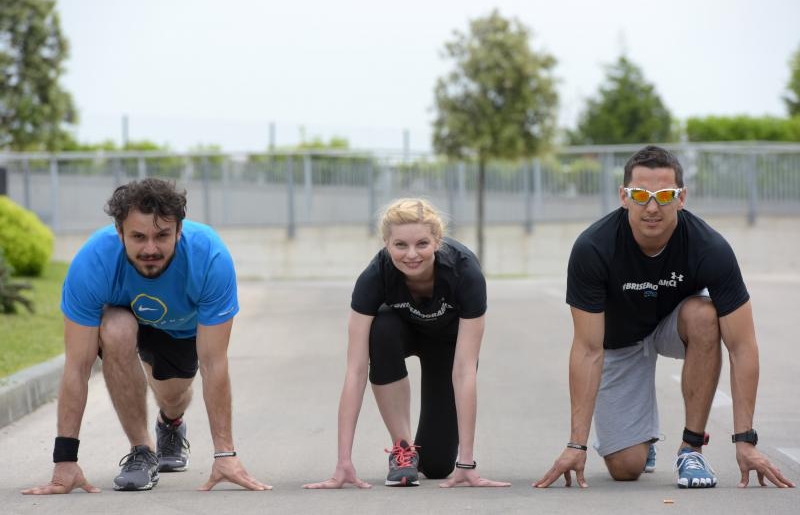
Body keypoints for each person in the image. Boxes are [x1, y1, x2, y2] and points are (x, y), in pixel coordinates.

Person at [534, 145, 795, 490]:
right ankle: (643, 443)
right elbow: (587, 349)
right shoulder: (593, 248)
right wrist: (576, 443)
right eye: (641, 195)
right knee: (626, 468)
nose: (652, 207)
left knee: (705, 315)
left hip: (674, 323)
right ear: (623, 197)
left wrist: (745, 440)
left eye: (664, 195)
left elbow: (742, 346)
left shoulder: (710, 248)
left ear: (682, 197)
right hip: (619, 340)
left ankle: (691, 449)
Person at [22, 178, 270, 494]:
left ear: (179, 232)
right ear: (119, 233)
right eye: (138, 237)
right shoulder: (93, 262)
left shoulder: (209, 257)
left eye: (162, 235)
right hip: (123, 316)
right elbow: (77, 366)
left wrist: (225, 454)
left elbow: (213, 363)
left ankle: (171, 422)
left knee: (173, 396)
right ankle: (142, 451)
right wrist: (65, 460)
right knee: (116, 328)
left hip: (179, 330)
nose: (150, 248)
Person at [303, 198, 509, 489]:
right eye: (400, 245)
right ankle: (403, 450)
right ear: (386, 243)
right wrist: (343, 463)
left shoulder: (465, 273)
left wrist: (466, 463)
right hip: (399, 333)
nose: (412, 255)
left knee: (437, 466)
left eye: (422, 244)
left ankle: (438, 459)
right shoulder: (375, 276)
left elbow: (465, 370)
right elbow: (356, 370)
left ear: (437, 241)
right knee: (381, 328)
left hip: (447, 347)